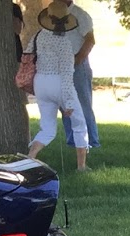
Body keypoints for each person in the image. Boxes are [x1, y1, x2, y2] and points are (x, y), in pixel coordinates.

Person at [25, 0, 91, 171]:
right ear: (67, 21)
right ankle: (81, 166)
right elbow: (67, 74)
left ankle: (30, 158)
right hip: (58, 83)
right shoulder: (64, 44)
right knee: (79, 124)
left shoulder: (38, 36)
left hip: (40, 82)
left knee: (47, 128)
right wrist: (68, 102)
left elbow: (27, 53)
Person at [60, 2, 100, 152]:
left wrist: (76, 60)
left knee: (83, 106)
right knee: (66, 106)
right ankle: (73, 143)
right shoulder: (51, 15)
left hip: (78, 65)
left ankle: (92, 142)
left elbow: (90, 40)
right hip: (61, 66)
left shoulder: (80, 15)